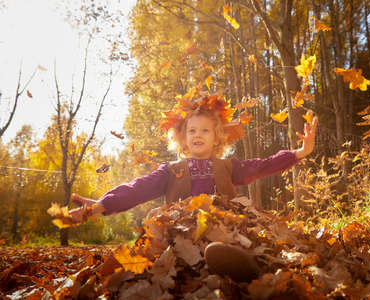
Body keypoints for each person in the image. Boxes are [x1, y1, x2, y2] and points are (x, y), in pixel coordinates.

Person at [69, 89, 318, 282]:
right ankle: (197, 266)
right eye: (192, 131)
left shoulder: (228, 167)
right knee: (163, 244)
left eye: (205, 131)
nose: (198, 135)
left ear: (217, 136)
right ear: (182, 137)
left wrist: (298, 153)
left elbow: (261, 166)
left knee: (238, 228)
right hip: (184, 232)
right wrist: (102, 205)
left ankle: (240, 264)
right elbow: (137, 189)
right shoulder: (171, 170)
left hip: (223, 228)